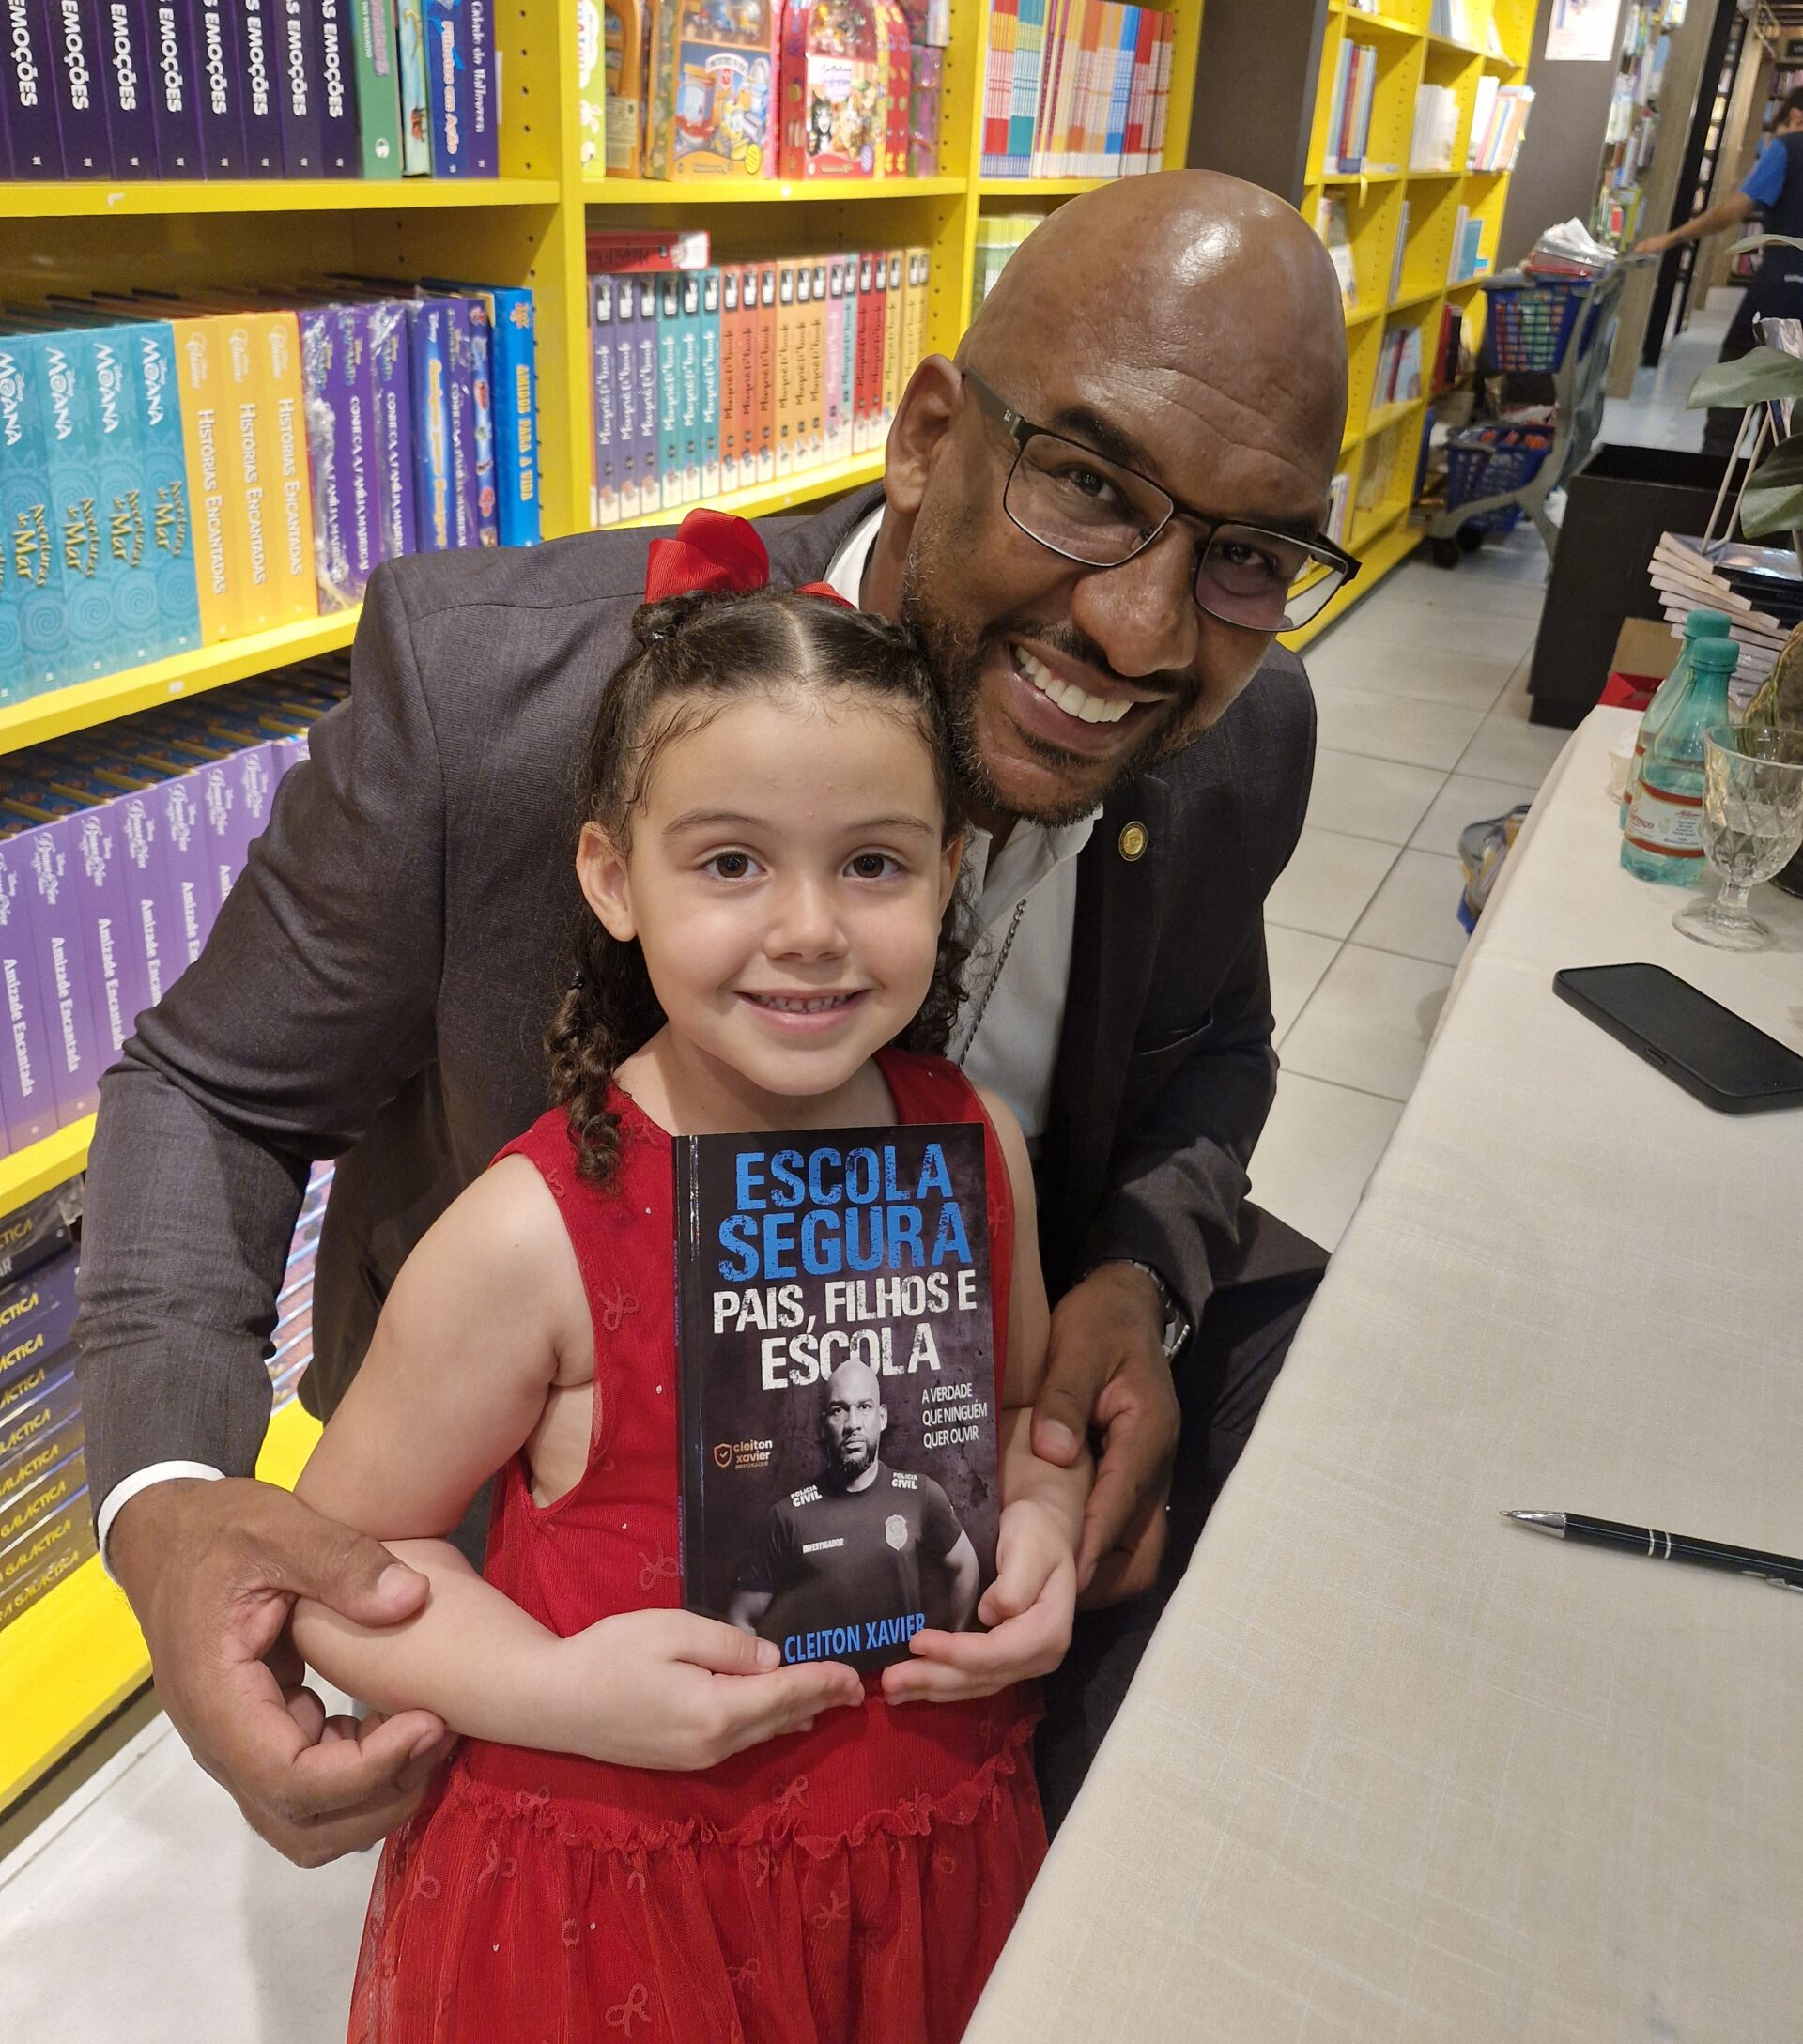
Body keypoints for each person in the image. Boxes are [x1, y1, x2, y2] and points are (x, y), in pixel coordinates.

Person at [78, 168, 1354, 1862]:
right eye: (1087, 485)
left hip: (955, 1565)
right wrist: (167, 1508)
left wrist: (1133, 1278)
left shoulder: (1241, 744)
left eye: (1247, 556)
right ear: (927, 439)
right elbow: (209, 1090)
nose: (1137, 627)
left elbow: (1211, 1058)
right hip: (549, 1569)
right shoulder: (498, 708)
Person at [288, 527, 1084, 2040]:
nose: (809, 929)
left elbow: (1022, 1419)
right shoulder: (534, 1232)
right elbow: (342, 1556)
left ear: (950, 871)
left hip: (924, 1856)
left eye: (873, 864)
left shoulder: (976, 1151)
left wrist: (1040, 1528)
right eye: (730, 863)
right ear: (614, 877)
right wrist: (554, 1690)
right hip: (617, 1905)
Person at [727, 1358, 982, 1653]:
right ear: (823, 1425)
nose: (853, 1424)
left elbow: (966, 1565)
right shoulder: (787, 1517)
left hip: (904, 1679)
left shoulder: (921, 1494)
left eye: (864, 1407)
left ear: (881, 1417)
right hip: (821, 1681)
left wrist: (952, 1644)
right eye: (839, 1410)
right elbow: (740, 1617)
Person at [1634, 90, 1803, 452]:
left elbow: (1731, 212)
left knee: (1731, 404)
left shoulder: (1787, 149)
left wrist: (1672, 238)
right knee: (1788, 427)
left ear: (1796, 117)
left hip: (1779, 291)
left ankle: (1710, 481)